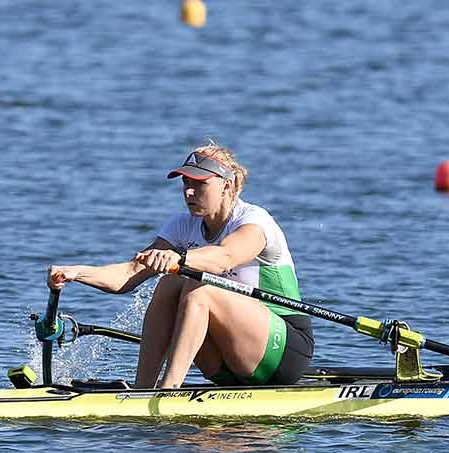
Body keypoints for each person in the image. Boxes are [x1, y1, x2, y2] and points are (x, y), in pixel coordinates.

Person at [46, 143, 313, 389]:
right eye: (186, 183)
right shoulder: (182, 226)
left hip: (284, 351)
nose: (188, 192)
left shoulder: (254, 222)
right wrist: (75, 273)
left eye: (199, 184)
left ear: (227, 185)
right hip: (225, 363)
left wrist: (180, 259)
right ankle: (143, 390)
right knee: (170, 282)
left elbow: (225, 258)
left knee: (200, 284)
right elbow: (128, 275)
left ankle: (168, 390)